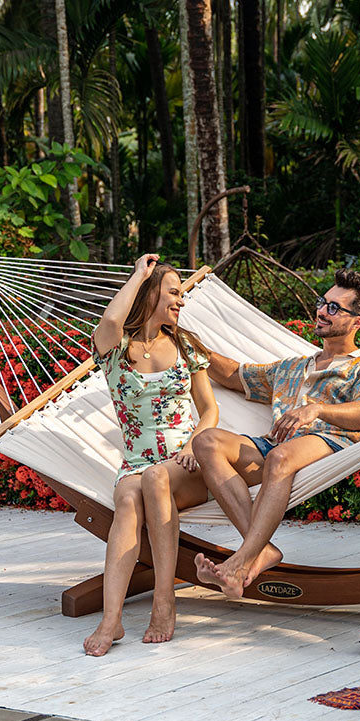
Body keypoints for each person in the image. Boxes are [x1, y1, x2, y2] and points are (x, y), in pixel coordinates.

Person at [192, 268, 360, 598]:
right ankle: (262, 551)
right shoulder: (292, 367)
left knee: (282, 456)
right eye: (321, 303)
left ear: (357, 321)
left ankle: (240, 560)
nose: (321, 312)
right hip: (274, 447)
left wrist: (316, 409)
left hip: (329, 441)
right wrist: (185, 340)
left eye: (333, 308)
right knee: (207, 441)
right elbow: (233, 375)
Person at [84, 254, 217, 656]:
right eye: (174, 292)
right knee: (127, 500)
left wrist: (195, 442)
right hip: (136, 462)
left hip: (184, 461)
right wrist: (139, 274)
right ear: (149, 293)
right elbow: (110, 322)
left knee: (153, 480)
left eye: (182, 294)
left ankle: (164, 599)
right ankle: (112, 619)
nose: (181, 300)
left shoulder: (186, 347)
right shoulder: (115, 348)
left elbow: (209, 409)